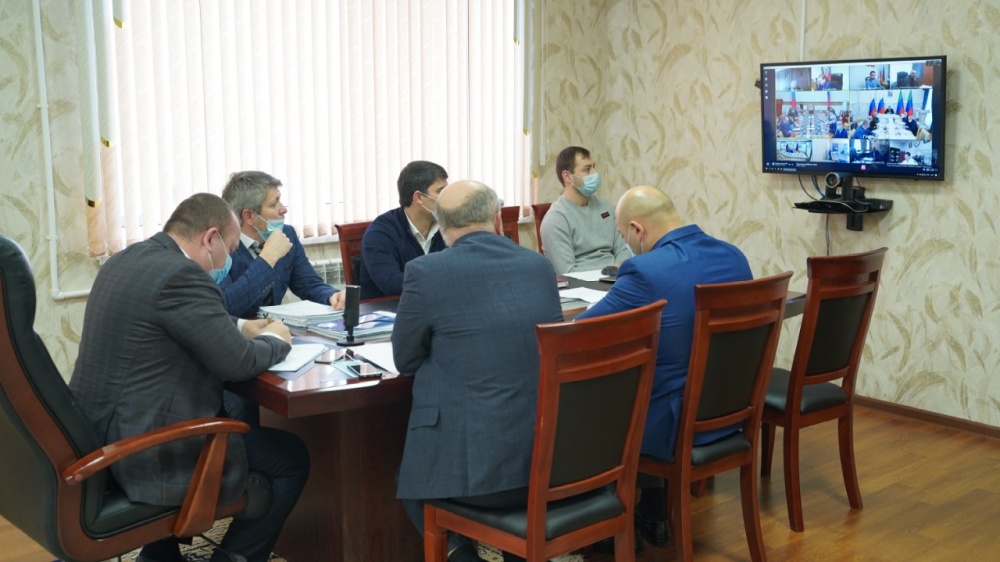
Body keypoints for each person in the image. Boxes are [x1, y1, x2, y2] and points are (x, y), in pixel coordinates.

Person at [69, 193, 310, 562]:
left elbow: (174, 318)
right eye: (231, 250)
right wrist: (276, 339)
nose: (229, 263)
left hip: (99, 437)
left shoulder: (129, 259)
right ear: (210, 238)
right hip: (150, 451)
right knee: (291, 459)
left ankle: (158, 556)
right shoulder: (182, 276)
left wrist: (240, 325)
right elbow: (239, 363)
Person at [392, 180, 563, 562]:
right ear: (496, 219)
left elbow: (405, 360)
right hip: (551, 461)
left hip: (482, 475)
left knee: (412, 482)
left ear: (442, 227)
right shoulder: (538, 265)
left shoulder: (425, 272)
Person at [575, 185, 752, 549]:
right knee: (661, 374)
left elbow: (582, 334)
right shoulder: (733, 256)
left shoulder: (644, 270)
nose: (626, 243)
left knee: (595, 396)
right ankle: (653, 512)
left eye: (623, 235)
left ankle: (601, 527)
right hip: (730, 412)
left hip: (672, 424)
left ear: (637, 230)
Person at [219, 170, 345, 318]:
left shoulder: (287, 234)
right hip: (238, 329)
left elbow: (309, 285)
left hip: (276, 327)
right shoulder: (220, 246)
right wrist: (267, 259)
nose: (283, 209)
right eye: (274, 204)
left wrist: (332, 296)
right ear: (249, 216)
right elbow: (227, 306)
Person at [359, 160, 449, 300]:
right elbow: (392, 284)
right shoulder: (380, 233)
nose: (448, 197)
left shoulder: (449, 226)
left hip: (436, 305)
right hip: (389, 309)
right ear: (418, 197)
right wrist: (444, 280)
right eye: (441, 191)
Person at [538, 146, 630, 274]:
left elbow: (622, 250)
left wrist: (617, 269)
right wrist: (609, 272)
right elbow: (566, 271)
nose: (595, 173)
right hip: (582, 283)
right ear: (567, 176)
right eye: (587, 169)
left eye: (594, 167)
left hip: (616, 277)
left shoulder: (604, 206)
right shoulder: (555, 219)